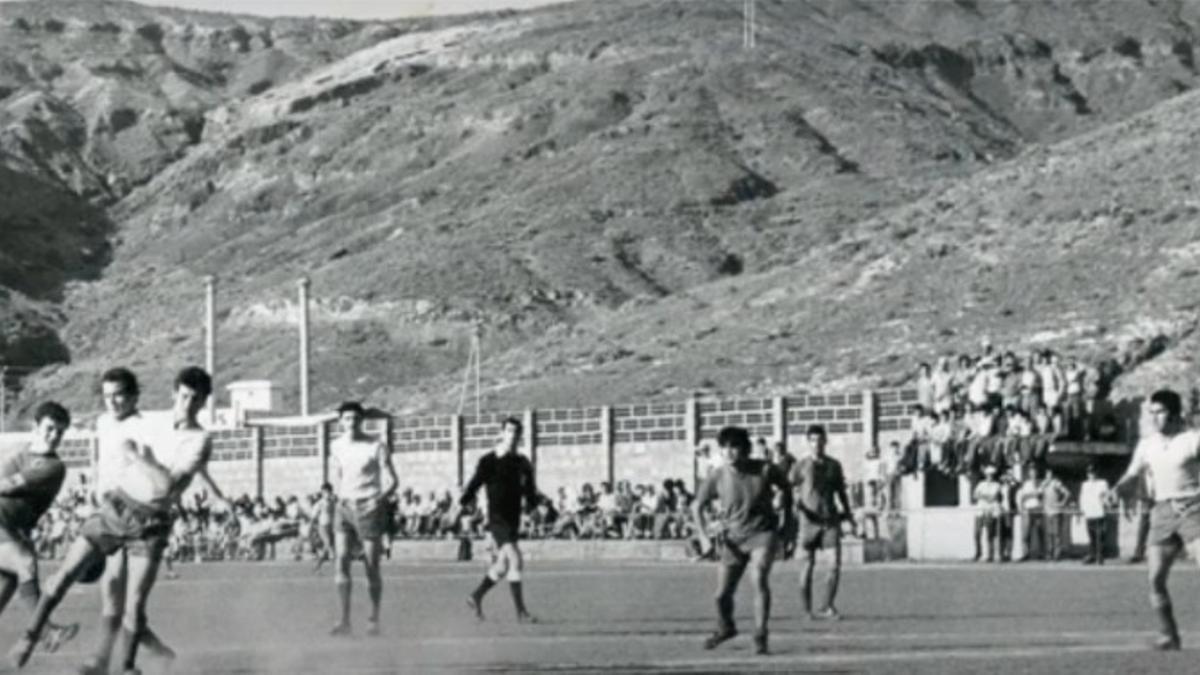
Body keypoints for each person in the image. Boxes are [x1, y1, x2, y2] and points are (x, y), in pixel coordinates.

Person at [11, 366, 234, 673]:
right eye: (183, 396)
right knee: (80, 581)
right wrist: (97, 489)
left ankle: (119, 664)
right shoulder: (149, 423)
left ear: (205, 401)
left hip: (150, 522)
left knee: (126, 603)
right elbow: (115, 462)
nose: (188, 404)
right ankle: (33, 641)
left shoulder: (187, 436)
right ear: (174, 394)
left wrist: (140, 458)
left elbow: (166, 485)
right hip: (114, 508)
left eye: (195, 399)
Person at [1106, 389, 1200, 650]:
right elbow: (1132, 474)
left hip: (1193, 509)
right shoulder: (1147, 444)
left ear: (1175, 413)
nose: (1155, 418)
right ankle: (1169, 634)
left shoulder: (1192, 439)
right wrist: (1116, 490)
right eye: (1152, 413)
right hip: (1162, 512)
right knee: (1155, 578)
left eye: (1161, 412)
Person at [692, 426, 792, 655]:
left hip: (762, 534)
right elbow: (697, 506)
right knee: (721, 595)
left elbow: (786, 489)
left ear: (744, 449)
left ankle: (760, 635)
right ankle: (726, 628)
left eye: (734, 447)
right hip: (733, 539)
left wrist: (787, 524)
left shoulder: (765, 470)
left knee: (759, 579)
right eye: (724, 448)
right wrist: (704, 537)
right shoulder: (717, 475)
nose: (729, 452)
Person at [0, 402, 79, 654]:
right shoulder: (17, 452)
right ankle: (47, 632)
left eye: (60, 432)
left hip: (12, 531)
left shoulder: (53, 467)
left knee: (8, 586)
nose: (54, 436)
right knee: (24, 563)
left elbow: (7, 485)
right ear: (35, 427)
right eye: (49, 429)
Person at [328, 402, 398, 637]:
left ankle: (373, 618)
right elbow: (337, 475)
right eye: (347, 419)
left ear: (363, 420)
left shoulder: (376, 445)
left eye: (356, 419)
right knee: (341, 560)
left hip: (369, 508)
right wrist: (336, 498)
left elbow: (392, 480)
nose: (351, 423)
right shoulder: (336, 445)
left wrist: (379, 500)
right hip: (345, 507)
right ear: (341, 421)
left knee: (371, 566)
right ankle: (344, 619)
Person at [461, 417, 538, 623]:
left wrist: (533, 507)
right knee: (515, 559)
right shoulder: (489, 460)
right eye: (509, 431)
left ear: (520, 436)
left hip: (513, 518)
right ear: (502, 433)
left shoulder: (523, 463)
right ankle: (521, 612)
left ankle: (475, 596)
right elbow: (475, 484)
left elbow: (530, 491)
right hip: (496, 518)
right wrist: (464, 501)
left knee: (503, 567)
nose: (513, 435)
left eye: (516, 432)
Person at [791, 424, 854, 621]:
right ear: (807, 442)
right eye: (812, 440)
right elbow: (789, 489)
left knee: (834, 565)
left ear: (825, 441)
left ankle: (827, 606)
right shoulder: (800, 466)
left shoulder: (834, 465)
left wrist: (848, 515)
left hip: (830, 521)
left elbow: (841, 492)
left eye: (820, 440)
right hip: (808, 523)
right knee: (806, 568)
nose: (816, 444)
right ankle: (806, 610)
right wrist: (796, 507)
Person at [1079, 464, 1109, 564]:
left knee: (1100, 536)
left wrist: (1106, 501)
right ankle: (1092, 555)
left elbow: (1106, 496)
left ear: (1096, 473)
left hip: (1099, 512)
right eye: (1089, 473)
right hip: (1089, 513)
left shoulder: (1102, 483)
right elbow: (1082, 498)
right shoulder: (1085, 485)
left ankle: (1100, 556)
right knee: (1091, 536)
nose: (1091, 475)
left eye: (1093, 472)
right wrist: (1083, 510)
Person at [312, 482, 336, 573]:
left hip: (331, 526)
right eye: (325, 492)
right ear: (322, 492)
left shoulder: (333, 502)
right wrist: (313, 527)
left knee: (327, 548)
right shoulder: (320, 503)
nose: (327, 494)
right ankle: (336, 564)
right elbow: (314, 516)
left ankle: (317, 566)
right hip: (323, 526)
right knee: (329, 544)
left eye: (329, 492)